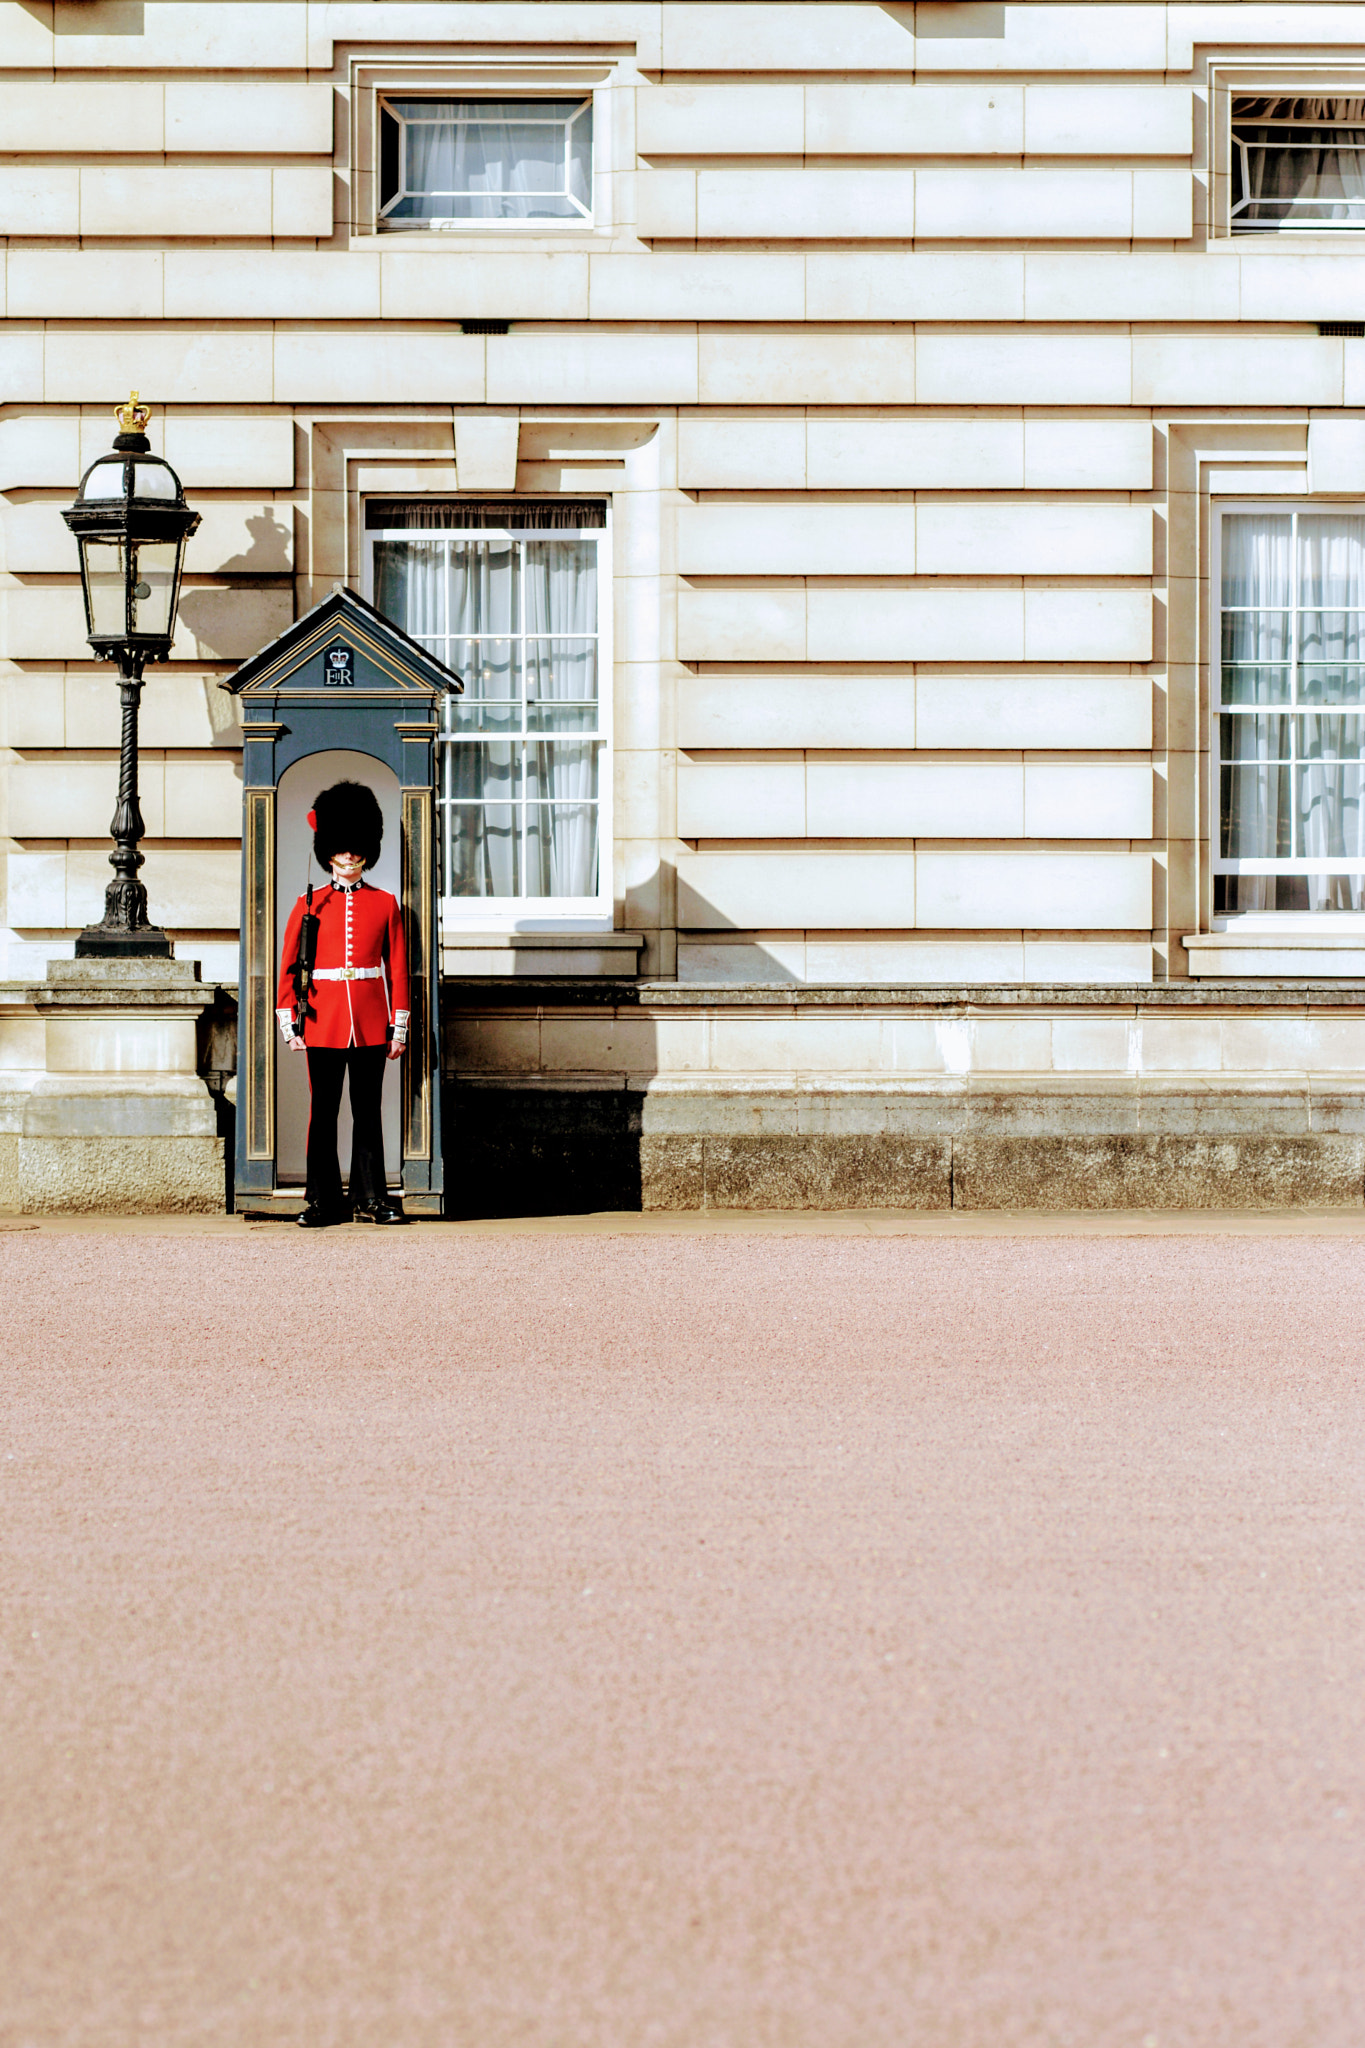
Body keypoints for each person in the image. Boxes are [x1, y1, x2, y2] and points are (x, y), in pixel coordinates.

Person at [276, 780, 409, 1227]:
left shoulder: (385, 904)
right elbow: (290, 966)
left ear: (366, 851)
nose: (350, 857)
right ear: (328, 851)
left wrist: (400, 1026)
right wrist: (290, 1023)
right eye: (342, 849)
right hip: (323, 1021)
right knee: (324, 1114)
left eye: (356, 849)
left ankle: (371, 1197)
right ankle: (324, 1200)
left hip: (371, 1023)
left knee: (368, 1114)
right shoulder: (308, 904)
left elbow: (398, 972)